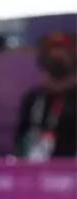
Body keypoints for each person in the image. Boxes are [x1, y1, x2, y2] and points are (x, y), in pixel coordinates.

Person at [14, 32, 77, 161]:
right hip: (35, 173)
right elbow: (20, 139)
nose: (57, 55)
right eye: (52, 50)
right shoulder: (32, 99)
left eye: (63, 51)